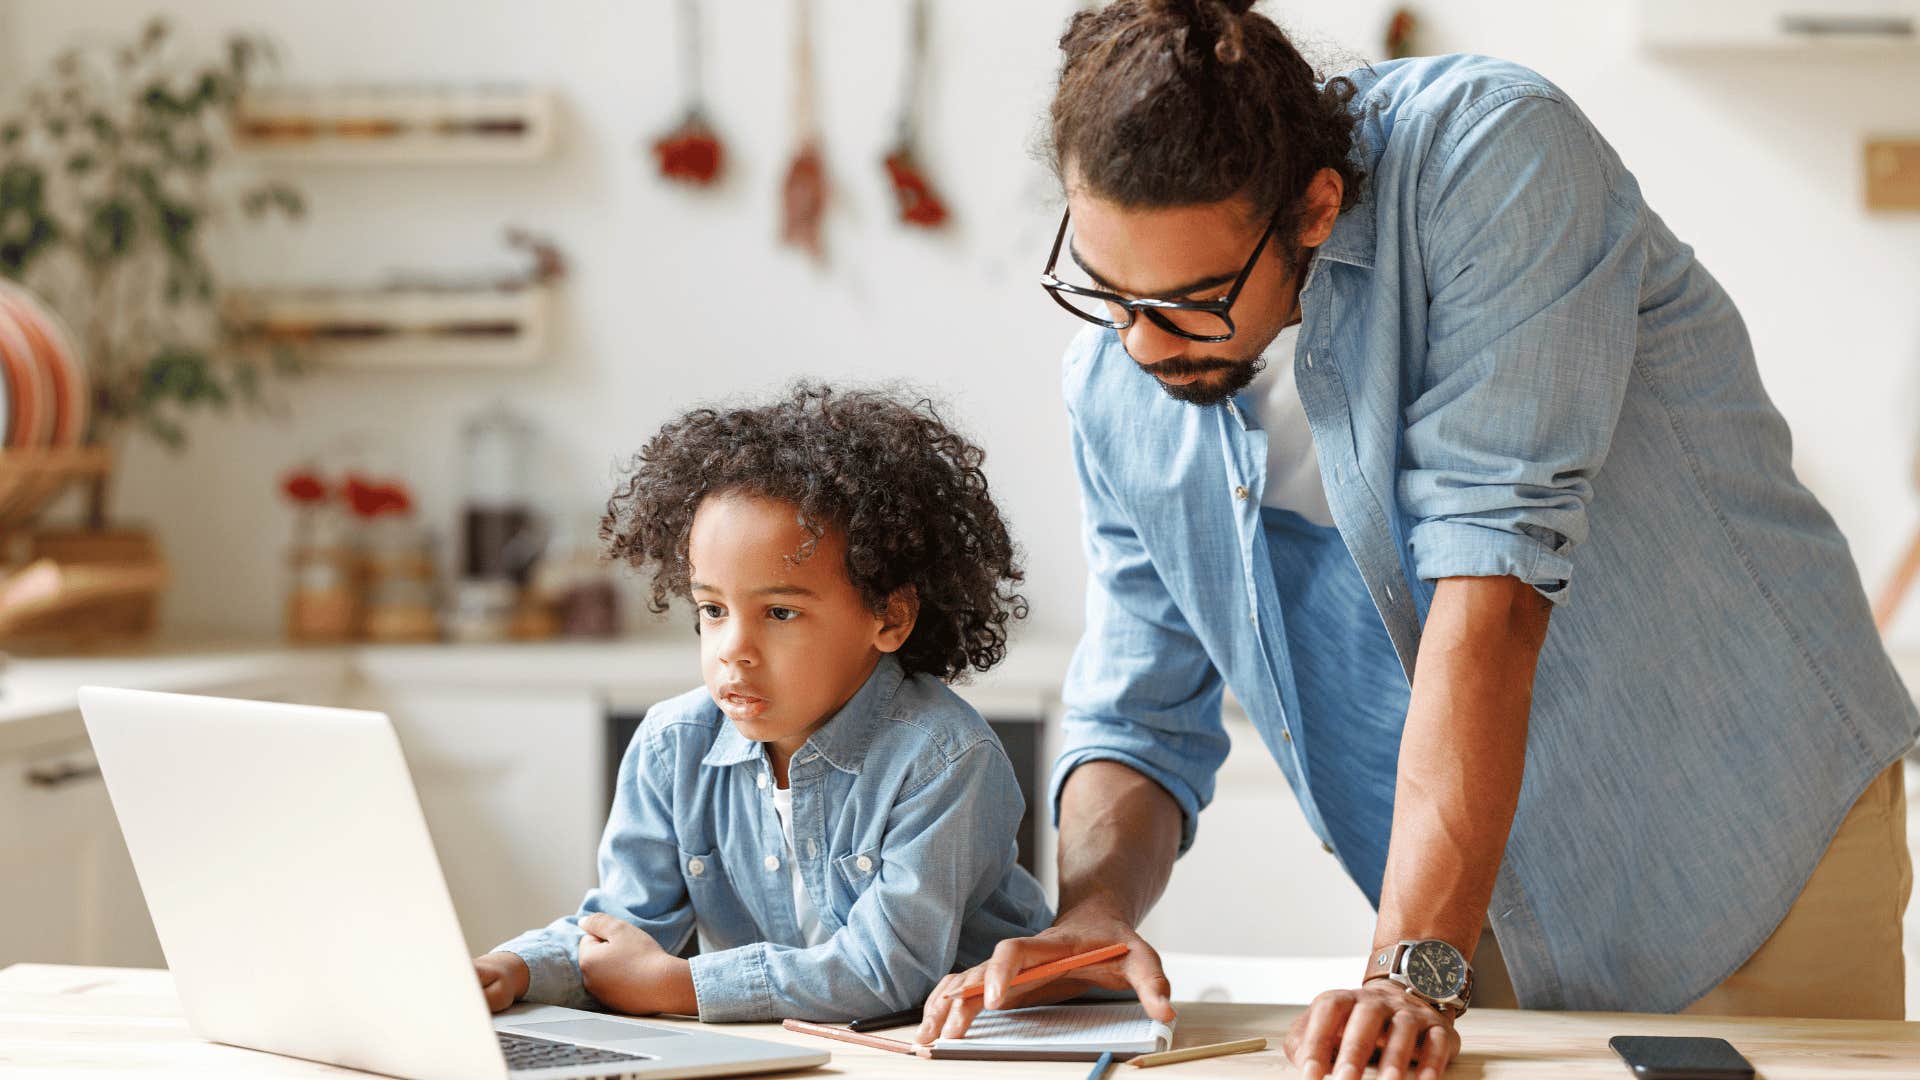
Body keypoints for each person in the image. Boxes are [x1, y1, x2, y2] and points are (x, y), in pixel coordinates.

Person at [920, 3, 1918, 1078]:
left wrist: (1408, 967)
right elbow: (1140, 709)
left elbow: (1493, 591)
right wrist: (1094, 911)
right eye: (1108, 290)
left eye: (1191, 301)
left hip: (1734, 839)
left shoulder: (1493, 159)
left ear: (1314, 208)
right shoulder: (1117, 373)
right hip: (1463, 899)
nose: (1138, 341)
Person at [475, 383, 1051, 1022]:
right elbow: (623, 931)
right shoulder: (673, 747)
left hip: (959, 1051)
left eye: (780, 612)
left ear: (890, 615)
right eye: (714, 610)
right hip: (787, 1049)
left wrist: (680, 988)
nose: (734, 649)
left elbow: (888, 970)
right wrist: (517, 967)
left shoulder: (943, 759)